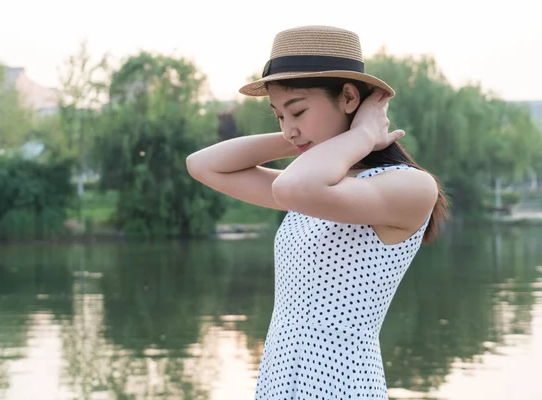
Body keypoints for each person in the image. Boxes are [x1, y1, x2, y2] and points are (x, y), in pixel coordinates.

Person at [186, 25, 449, 399]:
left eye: (298, 110)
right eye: (279, 116)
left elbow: (292, 187)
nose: (288, 128)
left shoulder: (409, 186)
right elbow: (203, 165)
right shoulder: (315, 188)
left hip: (341, 384)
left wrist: (359, 136)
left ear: (348, 97)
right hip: (279, 383)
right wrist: (304, 134)